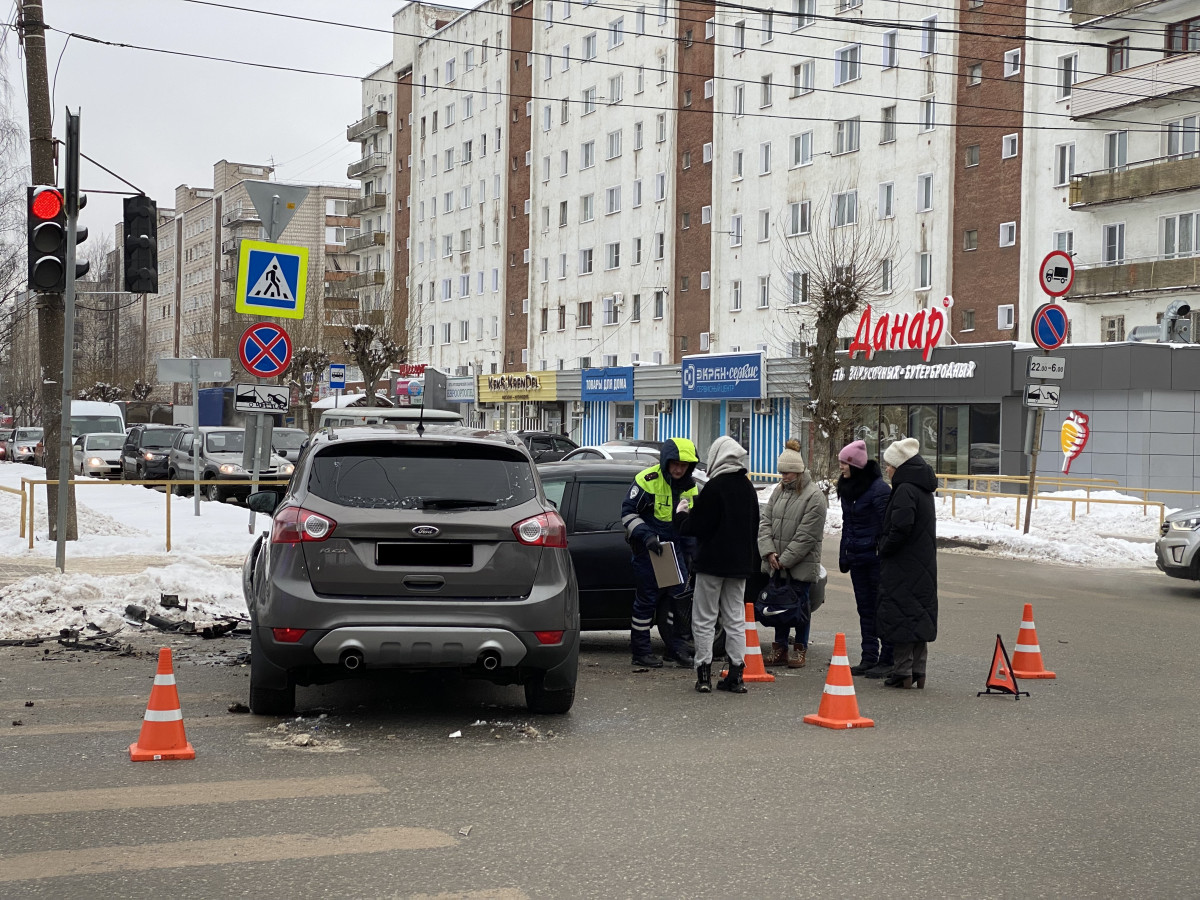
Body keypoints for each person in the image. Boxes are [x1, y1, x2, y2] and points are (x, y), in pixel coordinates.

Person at [676, 435, 760, 694]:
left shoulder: (714, 488)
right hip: (739, 566)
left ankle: (703, 675)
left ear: (717, 457)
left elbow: (699, 526)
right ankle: (736, 674)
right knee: (735, 618)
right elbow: (754, 527)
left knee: (704, 619)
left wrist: (682, 516)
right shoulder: (748, 488)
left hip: (711, 564)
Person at [621, 437, 700, 668]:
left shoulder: (690, 486)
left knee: (680, 602)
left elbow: (689, 525)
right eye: (675, 463)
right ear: (666, 461)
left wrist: (693, 553)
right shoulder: (647, 480)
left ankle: (676, 649)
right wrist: (647, 536)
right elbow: (627, 514)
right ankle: (641, 652)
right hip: (649, 551)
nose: (678, 469)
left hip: (674, 552)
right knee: (646, 602)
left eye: (683, 465)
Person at [757, 439, 827, 669]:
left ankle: (800, 649)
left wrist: (784, 560)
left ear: (798, 471)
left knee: (800, 607)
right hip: (777, 563)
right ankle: (779, 649)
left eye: (787, 472)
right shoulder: (778, 492)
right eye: (781, 473)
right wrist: (769, 553)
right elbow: (765, 522)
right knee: (780, 606)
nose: (783, 477)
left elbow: (807, 536)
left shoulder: (814, 497)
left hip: (799, 565)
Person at [877, 437, 938, 689]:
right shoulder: (922, 487)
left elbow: (900, 527)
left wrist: (884, 547)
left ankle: (901, 671)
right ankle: (918, 671)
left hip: (903, 564)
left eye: (890, 466)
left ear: (900, 466)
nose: (887, 470)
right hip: (922, 563)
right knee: (918, 615)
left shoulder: (904, 489)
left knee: (901, 615)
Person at [836, 439, 893, 678]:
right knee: (865, 609)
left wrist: (879, 550)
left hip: (875, 559)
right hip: (857, 557)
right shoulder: (849, 488)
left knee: (882, 609)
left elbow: (886, 526)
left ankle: (887, 658)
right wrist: (844, 553)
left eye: (843, 463)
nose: (840, 467)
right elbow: (847, 526)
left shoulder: (879, 490)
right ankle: (868, 656)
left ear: (855, 465)